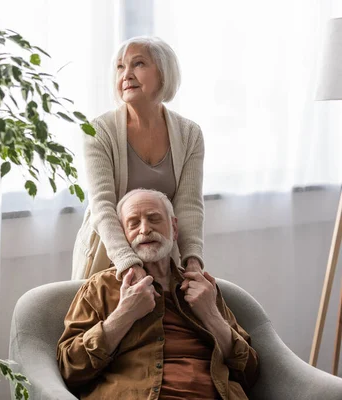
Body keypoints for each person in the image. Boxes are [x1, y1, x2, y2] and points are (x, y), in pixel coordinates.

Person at [58, 189, 258, 399]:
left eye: (154, 219)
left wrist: (210, 314)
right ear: (122, 234)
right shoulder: (100, 287)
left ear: (174, 228)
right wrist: (124, 314)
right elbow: (71, 369)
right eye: (133, 223)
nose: (144, 230)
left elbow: (249, 373)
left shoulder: (203, 288)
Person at [72, 36, 205, 282]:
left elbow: (188, 205)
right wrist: (128, 262)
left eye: (139, 64)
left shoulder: (190, 134)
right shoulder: (98, 131)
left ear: (164, 74)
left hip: (162, 258)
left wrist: (192, 260)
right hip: (107, 255)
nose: (127, 74)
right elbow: (103, 205)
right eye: (121, 67)